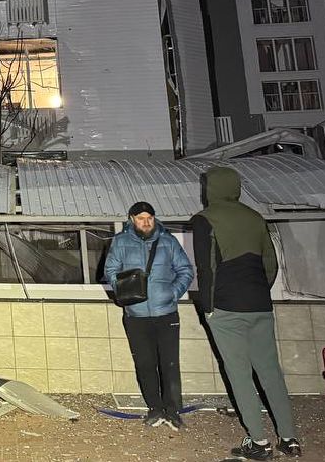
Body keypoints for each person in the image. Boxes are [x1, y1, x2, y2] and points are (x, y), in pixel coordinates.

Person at [193, 166, 302, 459]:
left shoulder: (205, 219)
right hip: (260, 304)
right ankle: (289, 438)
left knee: (239, 374)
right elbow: (270, 264)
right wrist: (259, 292)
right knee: (270, 372)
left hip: (227, 306)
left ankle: (259, 442)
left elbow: (206, 268)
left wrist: (208, 308)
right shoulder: (256, 218)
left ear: (211, 189)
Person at [103, 200, 194, 430]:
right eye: (141, 218)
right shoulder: (120, 242)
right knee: (145, 363)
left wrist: (172, 293)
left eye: (150, 218)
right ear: (132, 219)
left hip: (166, 313)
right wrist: (125, 290)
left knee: (169, 363)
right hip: (136, 314)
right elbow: (110, 270)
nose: (146, 222)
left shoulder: (168, 241)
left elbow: (185, 270)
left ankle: (172, 411)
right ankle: (154, 408)